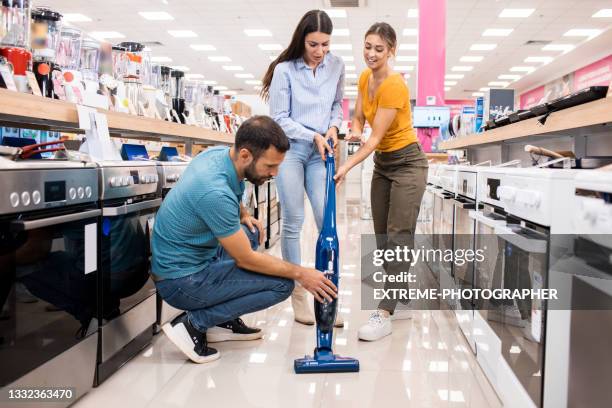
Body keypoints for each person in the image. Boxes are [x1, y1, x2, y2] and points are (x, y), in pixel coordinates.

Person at [151, 116, 338, 363]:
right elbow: (246, 259)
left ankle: (221, 322)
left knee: (249, 233)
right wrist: (301, 273)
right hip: (180, 281)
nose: (275, 173)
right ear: (245, 155)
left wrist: (244, 214)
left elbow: (231, 189)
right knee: (283, 284)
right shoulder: (213, 192)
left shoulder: (219, 156)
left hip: (189, 260)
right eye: (270, 166)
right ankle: (193, 324)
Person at [334, 23, 428, 341]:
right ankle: (399, 297)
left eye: (379, 49)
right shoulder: (364, 78)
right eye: (368, 46)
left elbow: (375, 139)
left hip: (408, 164)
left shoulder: (394, 86)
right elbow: (360, 117)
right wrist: (354, 127)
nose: (371, 54)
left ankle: (384, 311)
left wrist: (345, 165)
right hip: (383, 165)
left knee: (399, 236)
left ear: (391, 51)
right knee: (383, 236)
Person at [261, 9, 345, 326]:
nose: (320, 51)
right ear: (302, 39)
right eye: (313, 44)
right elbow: (279, 119)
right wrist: (313, 135)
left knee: (327, 222)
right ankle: (298, 293)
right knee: (294, 220)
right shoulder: (285, 70)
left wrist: (334, 129)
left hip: (322, 151)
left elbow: (337, 105)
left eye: (325, 44)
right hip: (292, 151)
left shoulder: (337, 65)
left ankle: (327, 292)